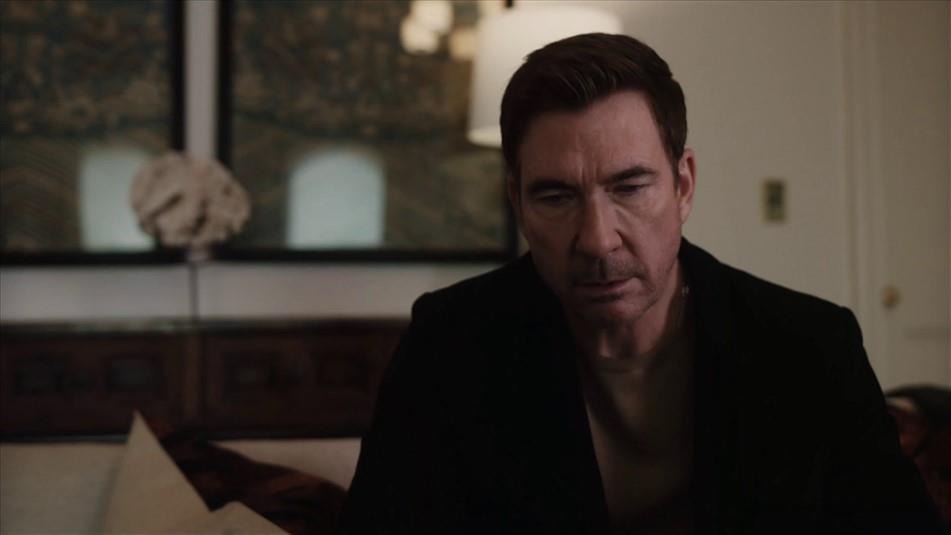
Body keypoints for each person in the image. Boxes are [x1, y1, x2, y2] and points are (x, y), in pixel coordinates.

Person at [337, 33, 941, 534]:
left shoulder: (808, 345)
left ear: (683, 186)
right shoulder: (450, 344)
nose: (598, 240)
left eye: (629, 187)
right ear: (517, 203)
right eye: (556, 196)